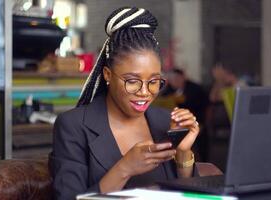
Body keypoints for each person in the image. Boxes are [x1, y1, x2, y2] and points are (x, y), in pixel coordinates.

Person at [49, 7, 200, 200]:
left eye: (154, 82)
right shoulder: (74, 126)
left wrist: (183, 152)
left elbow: (188, 195)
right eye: (133, 81)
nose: (145, 92)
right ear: (107, 75)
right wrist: (124, 168)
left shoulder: (165, 121)